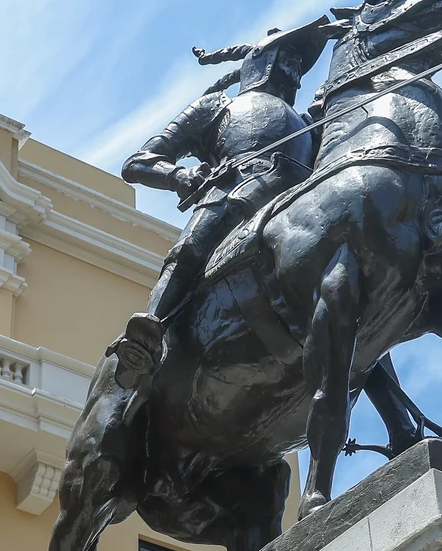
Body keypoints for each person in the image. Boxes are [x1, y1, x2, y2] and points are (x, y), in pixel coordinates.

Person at [107, 19, 336, 391]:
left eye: (299, 64)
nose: (295, 72)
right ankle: (147, 333)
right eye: (288, 60)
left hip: (302, 210)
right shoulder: (218, 105)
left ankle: (399, 415)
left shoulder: (309, 125)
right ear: (262, 62)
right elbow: (138, 162)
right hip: (234, 197)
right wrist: (177, 176)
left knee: (348, 283)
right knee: (188, 249)